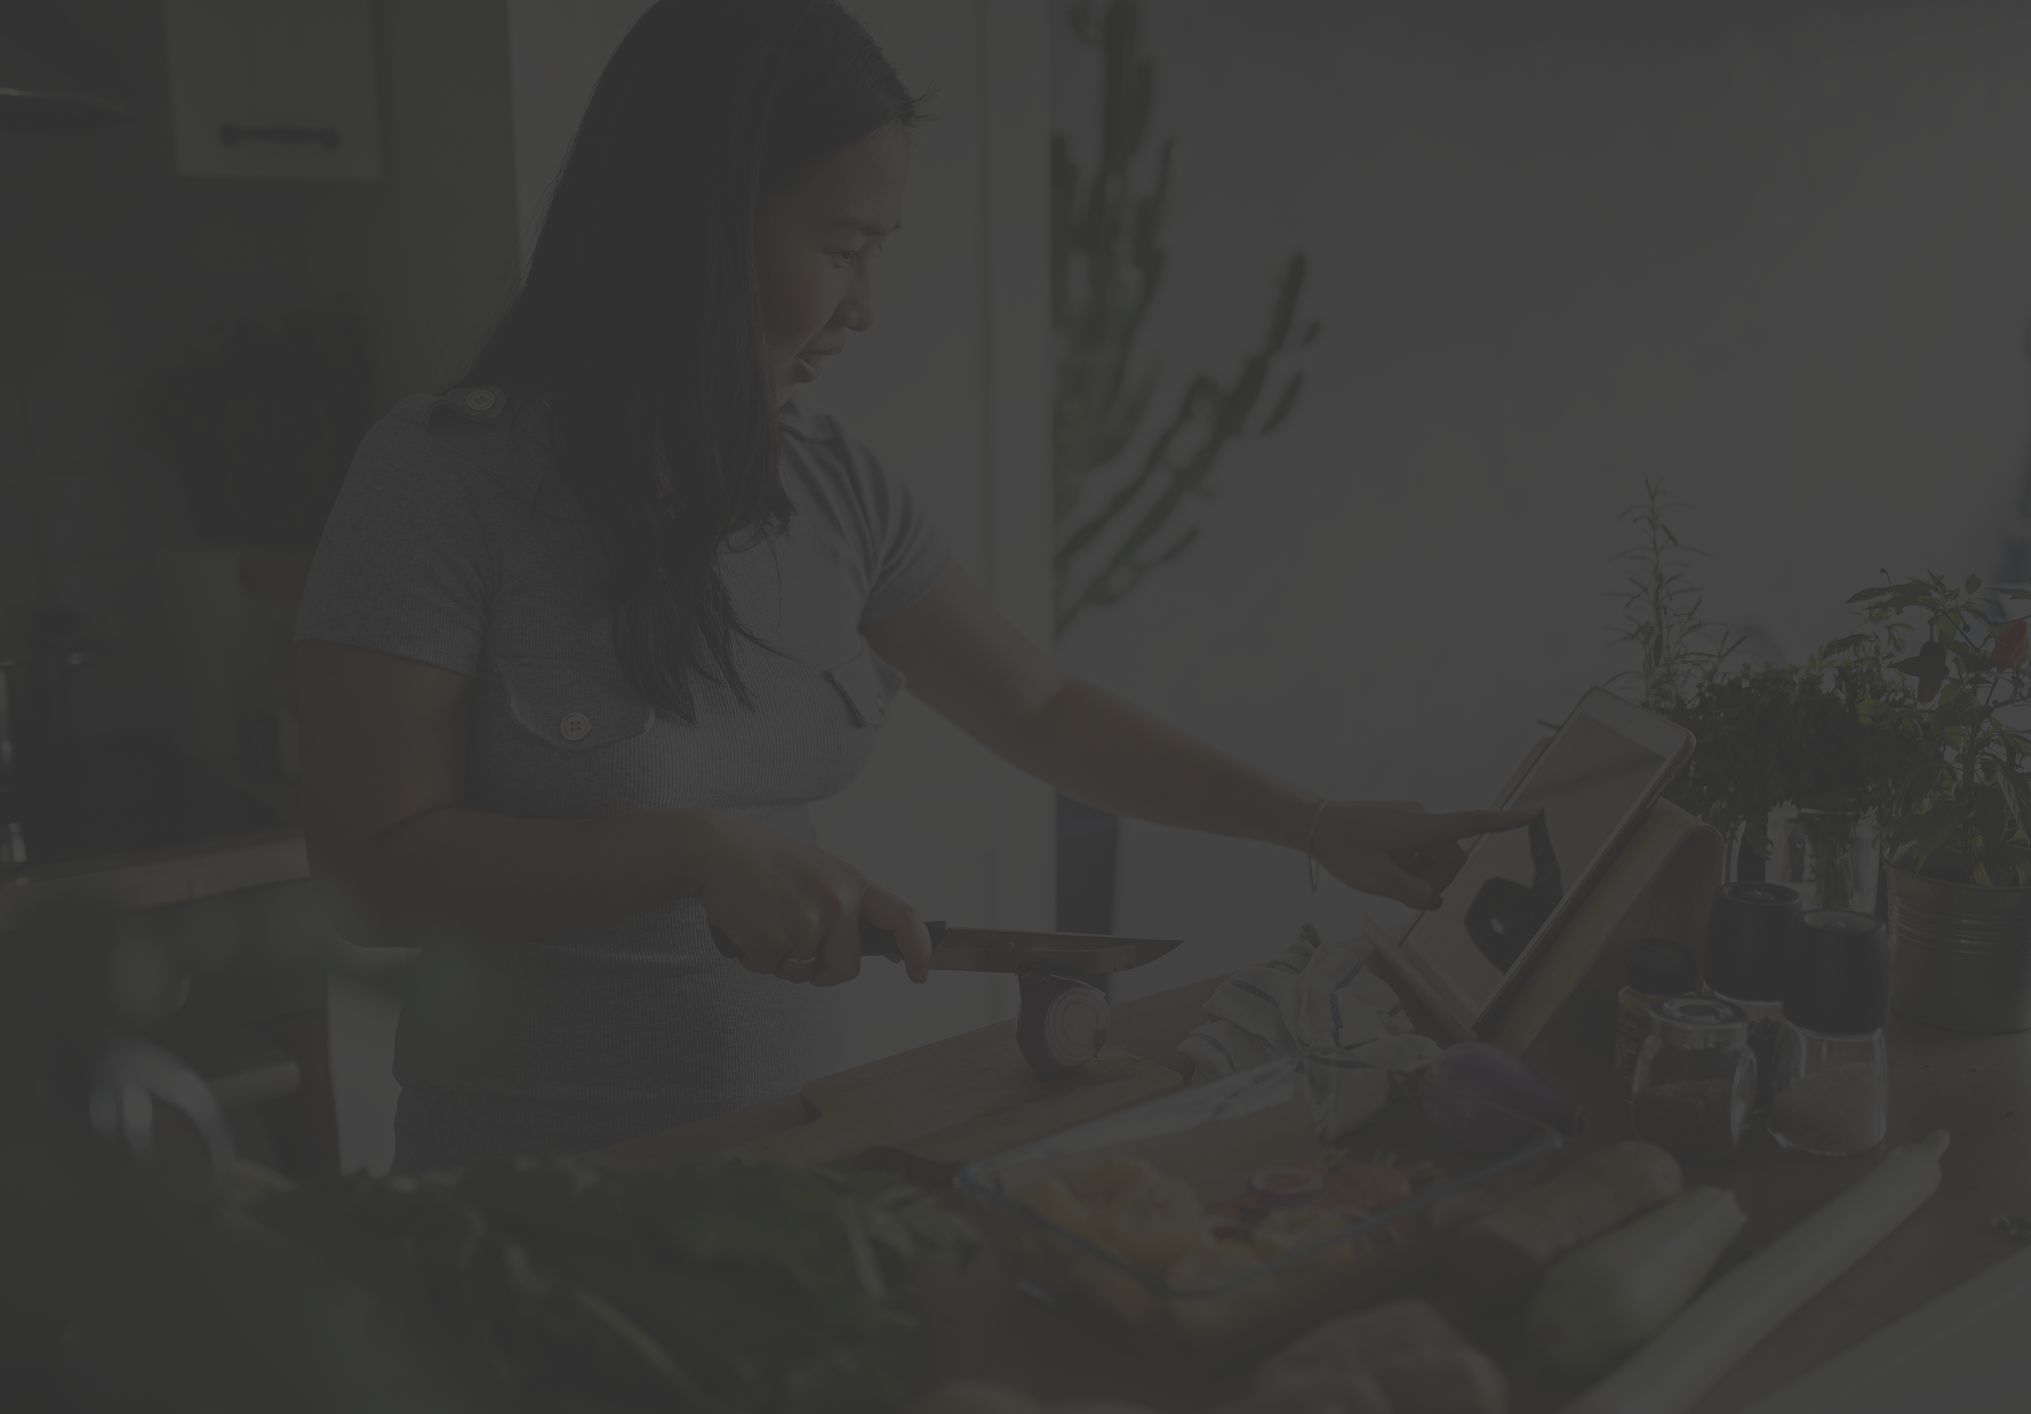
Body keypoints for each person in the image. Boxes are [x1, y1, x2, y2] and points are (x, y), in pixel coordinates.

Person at [295, 0, 1532, 1172]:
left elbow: (1041, 712)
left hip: (797, 1162)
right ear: (695, 230)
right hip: (528, 1199)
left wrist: (1316, 823)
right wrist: (682, 847)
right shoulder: (442, 478)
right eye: (842, 249)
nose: (867, 309)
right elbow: (374, 869)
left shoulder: (839, 490)